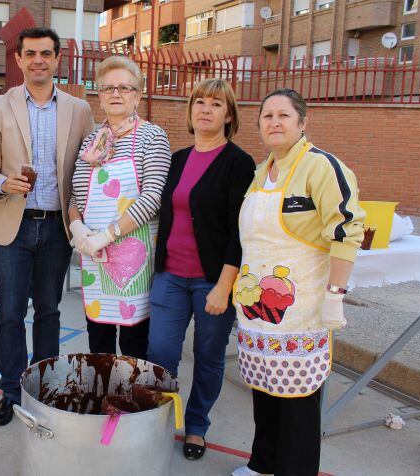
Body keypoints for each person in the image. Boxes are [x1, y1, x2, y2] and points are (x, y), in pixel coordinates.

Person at [230, 89, 364, 476]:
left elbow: (347, 230)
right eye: (267, 116)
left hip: (302, 307)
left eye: (283, 115)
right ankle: (264, 464)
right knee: (265, 388)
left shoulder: (322, 167)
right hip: (258, 309)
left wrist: (335, 295)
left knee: (298, 397)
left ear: (302, 123)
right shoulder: (260, 171)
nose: (274, 122)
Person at [0, 27, 93, 426]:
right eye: (31, 54)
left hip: (57, 228)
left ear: (57, 59)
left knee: (48, 312)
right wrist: (1, 183)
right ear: (19, 59)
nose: (39, 60)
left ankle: (44, 390)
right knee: (10, 314)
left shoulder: (79, 110)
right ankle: (10, 391)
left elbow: (86, 172)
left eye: (46, 53)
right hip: (13, 224)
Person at [148, 78, 255, 461]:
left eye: (215, 103)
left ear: (229, 115)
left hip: (213, 280)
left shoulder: (239, 164)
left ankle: (196, 425)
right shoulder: (178, 159)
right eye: (198, 102)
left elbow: (238, 231)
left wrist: (224, 286)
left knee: (208, 357)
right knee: (159, 352)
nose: (205, 109)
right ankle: (159, 421)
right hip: (170, 276)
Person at [68, 55, 171, 359]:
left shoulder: (152, 137)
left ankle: (130, 404)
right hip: (94, 257)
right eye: (107, 88)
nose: (115, 94)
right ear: (98, 95)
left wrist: (108, 235)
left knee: (133, 344)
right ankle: (103, 400)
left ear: (138, 95)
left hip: (134, 257)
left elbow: (153, 198)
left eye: (124, 88)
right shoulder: (93, 142)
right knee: (98, 340)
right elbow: (76, 196)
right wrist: (79, 228)